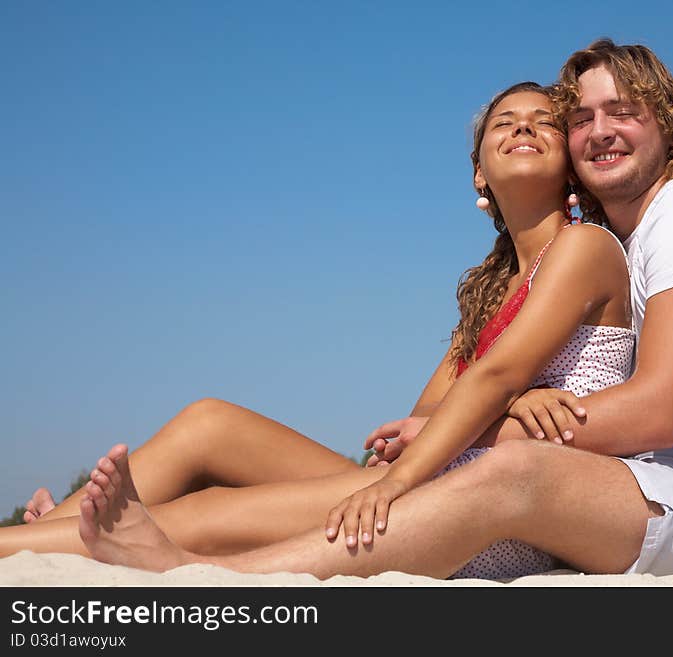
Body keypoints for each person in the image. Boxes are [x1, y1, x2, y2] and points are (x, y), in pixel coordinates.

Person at [9, 38, 673, 578]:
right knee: (211, 423)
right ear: (479, 177)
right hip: (619, 480)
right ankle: (43, 539)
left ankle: (191, 569)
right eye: (578, 114)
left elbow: (649, 408)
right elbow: (438, 412)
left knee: (477, 472)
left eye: (620, 110)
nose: (594, 128)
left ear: (664, 123)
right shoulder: (513, 279)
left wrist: (435, 455)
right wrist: (448, 438)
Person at [1, 81, 639, 579]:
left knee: (206, 515)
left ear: (571, 167)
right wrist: (512, 403)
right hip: (435, 472)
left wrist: (489, 406)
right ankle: (51, 529)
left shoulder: (583, 248)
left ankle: (32, 541)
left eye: (544, 122)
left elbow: (495, 379)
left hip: (492, 514)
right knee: (208, 420)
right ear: (478, 173)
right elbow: (423, 419)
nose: (524, 126)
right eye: (505, 123)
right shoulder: (491, 289)